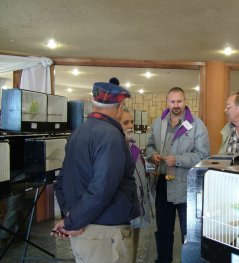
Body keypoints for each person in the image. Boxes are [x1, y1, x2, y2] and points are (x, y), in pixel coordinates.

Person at [53, 79, 140, 263]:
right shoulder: (111, 136)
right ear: (120, 106)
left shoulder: (78, 132)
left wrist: (71, 218)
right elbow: (101, 189)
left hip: (84, 233)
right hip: (105, 235)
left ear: (94, 104)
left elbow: (61, 182)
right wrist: (73, 222)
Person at [146, 87, 210, 263]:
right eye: (172, 101)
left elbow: (203, 155)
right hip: (163, 184)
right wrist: (153, 155)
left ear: (185, 101)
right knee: (163, 230)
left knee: (189, 232)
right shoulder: (159, 123)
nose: (176, 105)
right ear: (167, 102)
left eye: (179, 101)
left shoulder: (197, 125)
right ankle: (163, 259)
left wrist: (178, 159)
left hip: (186, 186)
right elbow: (149, 146)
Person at [120, 108, 153, 263]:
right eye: (126, 122)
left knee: (132, 251)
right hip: (123, 213)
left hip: (137, 208)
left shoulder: (133, 147)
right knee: (123, 254)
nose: (131, 125)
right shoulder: (115, 148)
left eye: (132, 121)